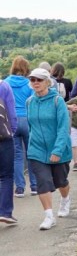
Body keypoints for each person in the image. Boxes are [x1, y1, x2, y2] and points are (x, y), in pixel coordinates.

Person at [26, 68, 72, 230]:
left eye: (39, 80)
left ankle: (65, 199)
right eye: (33, 80)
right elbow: (31, 127)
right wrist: (31, 145)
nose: (36, 83)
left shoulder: (57, 101)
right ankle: (49, 216)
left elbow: (63, 128)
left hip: (58, 149)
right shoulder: (30, 102)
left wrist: (57, 150)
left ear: (47, 82)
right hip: (37, 150)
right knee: (43, 182)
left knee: (61, 182)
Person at [5, 55, 39, 197]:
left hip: (11, 121)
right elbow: (34, 102)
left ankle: (19, 188)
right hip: (27, 119)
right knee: (31, 153)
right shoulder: (29, 83)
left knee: (17, 156)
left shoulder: (6, 83)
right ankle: (34, 186)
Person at [0, 76, 18, 226]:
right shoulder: (4, 86)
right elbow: (11, 112)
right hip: (4, 137)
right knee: (6, 175)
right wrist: (12, 130)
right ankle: (5, 212)